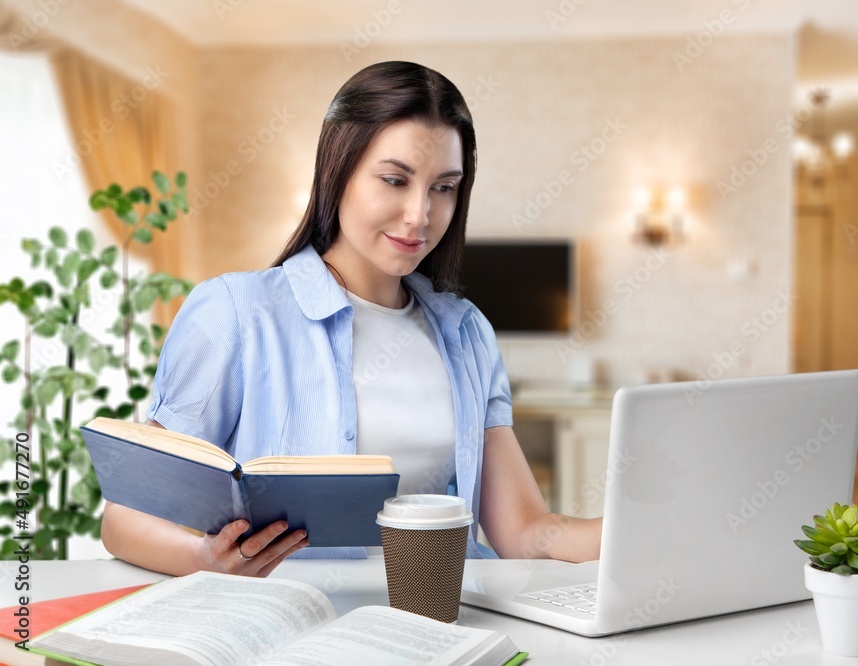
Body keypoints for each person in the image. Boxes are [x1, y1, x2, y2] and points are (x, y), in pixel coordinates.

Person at [101, 61, 602, 577]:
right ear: (337, 171)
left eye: (444, 187)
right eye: (394, 180)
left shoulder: (466, 332)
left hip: (436, 619)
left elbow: (524, 532)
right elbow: (124, 518)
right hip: (293, 632)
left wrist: (626, 531)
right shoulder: (234, 312)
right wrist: (205, 560)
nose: (420, 215)